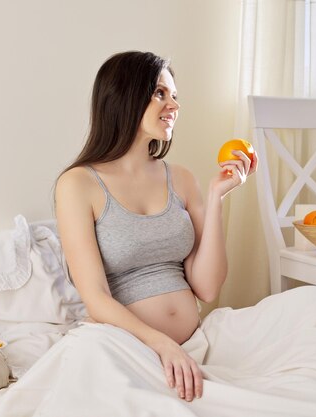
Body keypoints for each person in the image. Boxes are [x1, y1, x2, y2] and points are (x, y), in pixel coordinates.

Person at [54, 51, 257, 403]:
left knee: (312, 311)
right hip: (124, 344)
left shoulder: (180, 178)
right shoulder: (78, 185)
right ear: (124, 97)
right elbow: (96, 297)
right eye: (160, 93)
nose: (173, 105)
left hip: (192, 344)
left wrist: (217, 199)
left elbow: (207, 288)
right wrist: (161, 344)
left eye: (175, 95)